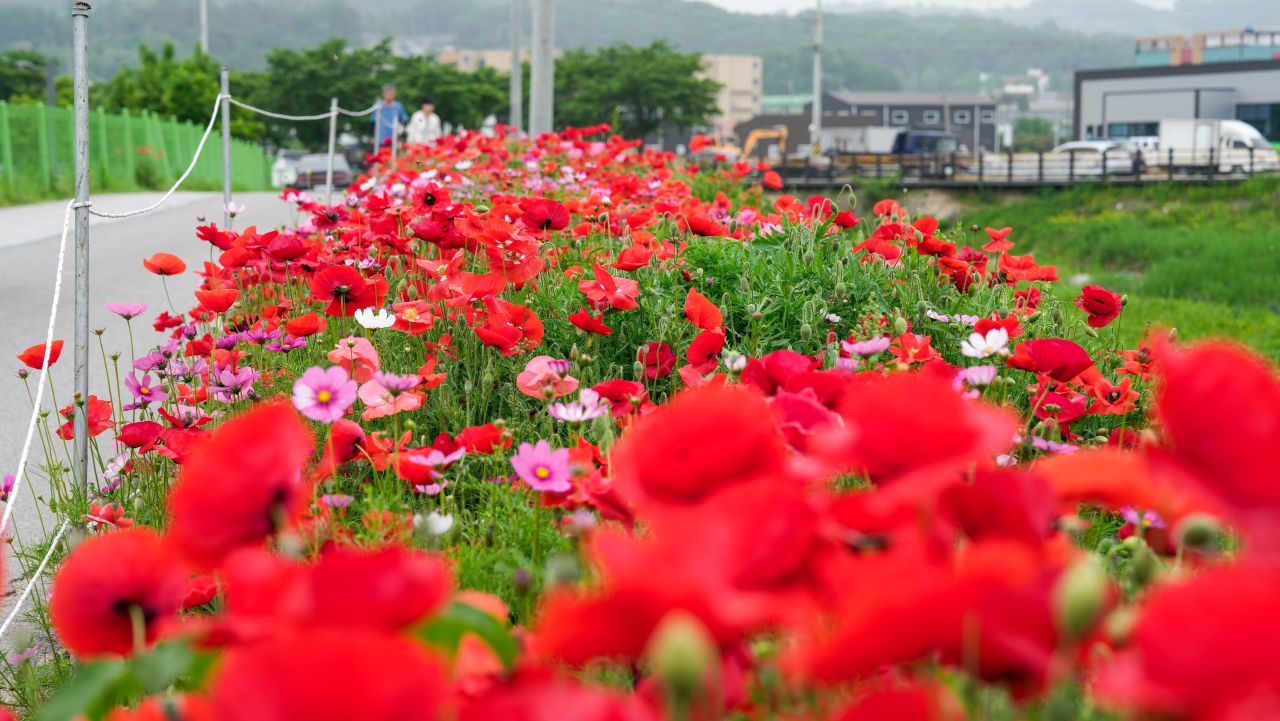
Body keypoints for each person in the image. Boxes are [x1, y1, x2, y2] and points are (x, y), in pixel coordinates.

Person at [371, 84, 408, 150]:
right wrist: (372, 136)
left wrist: (402, 136)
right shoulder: (378, 105)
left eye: (391, 94)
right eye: (387, 94)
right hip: (380, 139)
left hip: (394, 139)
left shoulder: (398, 106)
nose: (389, 96)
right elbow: (373, 122)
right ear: (383, 94)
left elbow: (404, 121)